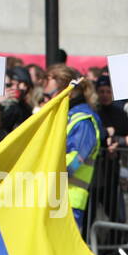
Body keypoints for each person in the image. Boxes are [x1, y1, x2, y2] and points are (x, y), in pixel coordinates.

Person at [42, 64, 103, 230]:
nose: (46, 101)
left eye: (50, 95)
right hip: (53, 197)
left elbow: (75, 162)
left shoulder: (83, 121)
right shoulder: (65, 117)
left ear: (68, 92)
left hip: (69, 201)